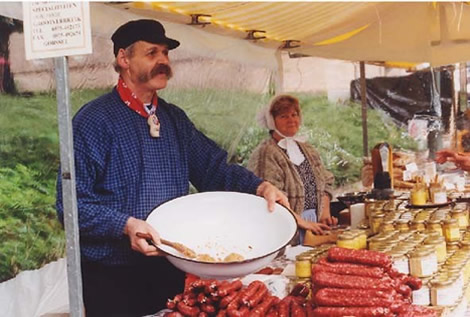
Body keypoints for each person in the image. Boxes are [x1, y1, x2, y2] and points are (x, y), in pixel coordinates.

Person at [55, 19, 288, 317]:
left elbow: (214, 168)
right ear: (124, 59)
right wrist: (125, 225)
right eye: (152, 53)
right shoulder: (93, 121)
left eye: (165, 53)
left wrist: (258, 186)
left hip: (169, 265)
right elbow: (70, 205)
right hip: (112, 274)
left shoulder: (174, 119)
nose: (163, 61)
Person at [247, 94, 338, 240]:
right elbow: (270, 199)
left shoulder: (306, 149)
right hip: (286, 227)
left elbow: (326, 181)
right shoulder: (267, 153)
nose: (291, 120)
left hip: (313, 224)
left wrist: (324, 214)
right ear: (272, 122)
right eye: (283, 116)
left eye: (294, 114)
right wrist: (301, 222)